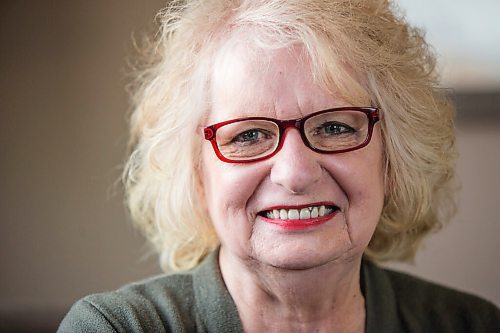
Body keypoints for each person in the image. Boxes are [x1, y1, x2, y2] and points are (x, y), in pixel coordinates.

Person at [58, 0, 499, 332]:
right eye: (248, 135)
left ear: (391, 158)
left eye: (335, 127)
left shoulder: (472, 324)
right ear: (196, 173)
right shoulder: (114, 328)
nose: (295, 173)